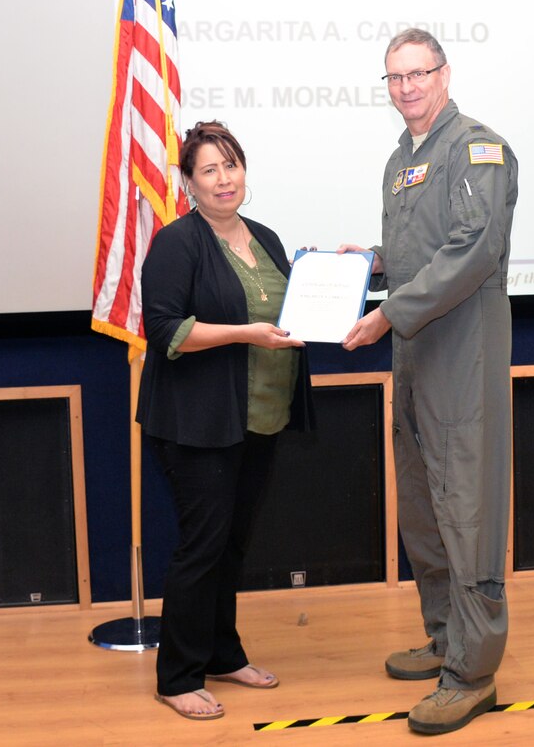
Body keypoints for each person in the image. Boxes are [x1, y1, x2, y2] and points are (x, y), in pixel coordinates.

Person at [339, 28, 519, 735]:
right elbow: (427, 246)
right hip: (416, 356)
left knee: (465, 510)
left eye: (419, 73)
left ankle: (473, 673)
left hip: (460, 358)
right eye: (395, 77)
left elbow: (476, 248)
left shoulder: (479, 148)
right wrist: (377, 263)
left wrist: (389, 313)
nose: (408, 86)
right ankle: (446, 637)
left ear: (444, 75)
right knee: (422, 505)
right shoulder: (399, 161)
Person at [137, 121, 314, 721]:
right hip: (197, 423)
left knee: (232, 546)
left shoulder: (264, 237)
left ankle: (221, 652)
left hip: (259, 418)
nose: (223, 179)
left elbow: (293, 310)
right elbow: (164, 331)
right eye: (208, 170)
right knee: (201, 547)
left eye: (231, 165)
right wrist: (245, 333)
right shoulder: (177, 243)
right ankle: (177, 675)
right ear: (189, 183)